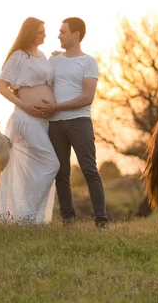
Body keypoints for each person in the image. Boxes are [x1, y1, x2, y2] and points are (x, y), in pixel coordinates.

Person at [38, 17, 109, 228]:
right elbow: (42, 85)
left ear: (76, 35)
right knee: (61, 173)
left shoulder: (88, 62)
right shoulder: (53, 61)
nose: (58, 35)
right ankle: (68, 220)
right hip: (55, 125)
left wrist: (56, 107)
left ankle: (101, 220)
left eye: (63, 31)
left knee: (89, 170)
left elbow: (87, 97)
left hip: (79, 122)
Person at [0, 17, 60, 224]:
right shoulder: (18, 56)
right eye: (41, 31)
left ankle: (30, 218)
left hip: (42, 122)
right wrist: (25, 106)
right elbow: (2, 88)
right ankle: (27, 214)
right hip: (25, 118)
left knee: (33, 170)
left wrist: (56, 59)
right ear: (30, 33)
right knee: (51, 163)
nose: (45, 35)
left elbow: (48, 78)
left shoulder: (42, 56)